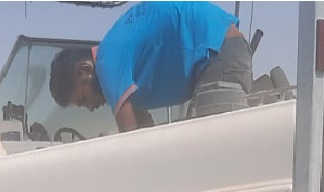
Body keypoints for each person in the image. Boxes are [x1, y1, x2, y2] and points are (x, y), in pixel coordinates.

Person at [49, 2, 253, 133]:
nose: (90, 108)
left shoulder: (108, 65)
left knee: (218, 153)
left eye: (83, 99)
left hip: (216, 51)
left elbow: (130, 140)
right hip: (219, 51)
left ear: (85, 70)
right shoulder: (122, 64)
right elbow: (143, 132)